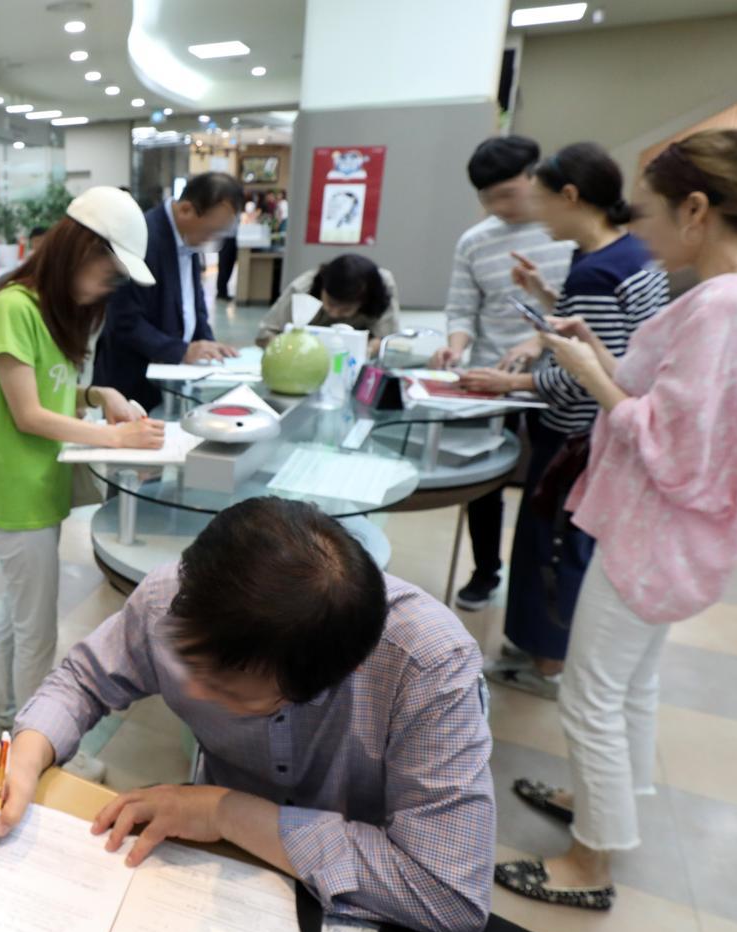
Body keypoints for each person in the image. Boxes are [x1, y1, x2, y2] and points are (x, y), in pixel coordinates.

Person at [0, 497, 497, 932]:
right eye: (188, 660)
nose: (189, 691)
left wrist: (227, 812)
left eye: (225, 688)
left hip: (357, 903)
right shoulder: (175, 598)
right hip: (216, 872)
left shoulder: (427, 667)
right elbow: (82, 680)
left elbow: (447, 893)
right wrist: (23, 763)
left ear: (328, 677)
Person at [496, 129, 737, 910]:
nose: (641, 230)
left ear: (696, 209)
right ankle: (606, 809)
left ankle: (589, 864)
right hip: (675, 534)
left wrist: (595, 378)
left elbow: (674, 444)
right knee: (629, 683)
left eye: (653, 212)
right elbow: (673, 399)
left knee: (593, 690)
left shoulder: (726, 303)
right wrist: (594, 348)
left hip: (654, 531)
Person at [462, 142, 668, 700]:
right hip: (596, 431)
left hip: (577, 433)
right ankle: (543, 650)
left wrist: (511, 384)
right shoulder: (624, 255)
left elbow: (584, 373)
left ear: (571, 197)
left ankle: (548, 663)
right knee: (554, 540)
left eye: (541, 198)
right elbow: (603, 337)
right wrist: (546, 297)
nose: (535, 210)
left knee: (551, 544)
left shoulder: (597, 271)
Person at [0, 187, 166, 747]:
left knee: (16, 618)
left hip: (39, 490)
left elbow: (52, 393)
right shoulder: (15, 308)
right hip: (17, 497)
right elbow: (28, 413)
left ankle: (4, 724)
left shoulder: (50, 311)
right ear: (81, 250)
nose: (106, 290)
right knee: (35, 634)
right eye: (107, 275)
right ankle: (41, 749)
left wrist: (96, 393)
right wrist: (117, 437)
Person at [434, 137, 574, 613]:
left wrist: (538, 342)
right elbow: (460, 310)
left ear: (535, 177)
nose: (499, 207)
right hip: (492, 378)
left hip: (559, 378)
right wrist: (455, 347)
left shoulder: (567, 230)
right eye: (488, 199)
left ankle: (539, 589)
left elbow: (579, 309)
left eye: (508, 194)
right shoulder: (475, 241)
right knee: (484, 480)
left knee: (547, 485)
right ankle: (485, 571)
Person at [92, 172, 244, 412]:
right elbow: (124, 320)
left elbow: (194, 304)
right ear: (186, 210)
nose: (212, 240)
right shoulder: (142, 237)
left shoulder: (189, 237)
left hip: (174, 380)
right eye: (210, 231)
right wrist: (182, 351)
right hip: (132, 384)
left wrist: (207, 344)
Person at [256, 253, 400, 351]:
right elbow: (265, 334)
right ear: (323, 287)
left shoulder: (382, 288)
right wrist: (287, 349)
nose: (334, 313)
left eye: (345, 310)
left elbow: (387, 338)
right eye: (330, 303)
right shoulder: (302, 290)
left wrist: (366, 351)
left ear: (364, 302)